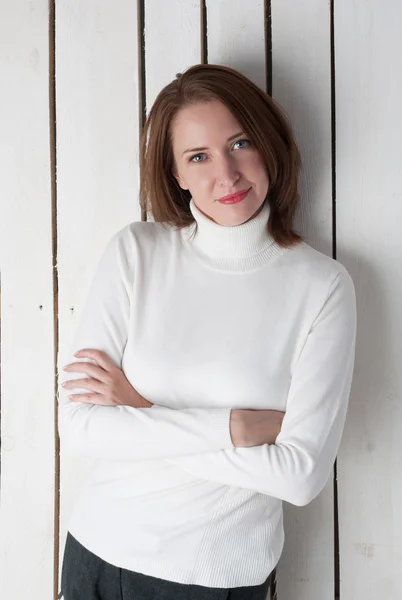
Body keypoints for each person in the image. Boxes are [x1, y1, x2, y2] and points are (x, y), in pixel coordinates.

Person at [58, 64, 357, 600]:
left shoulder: (321, 286)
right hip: (96, 552)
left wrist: (142, 409)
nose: (228, 174)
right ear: (176, 174)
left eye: (240, 143)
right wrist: (236, 428)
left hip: (213, 577)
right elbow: (81, 426)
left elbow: (300, 476)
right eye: (199, 156)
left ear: (268, 144)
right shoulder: (137, 252)